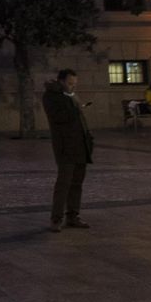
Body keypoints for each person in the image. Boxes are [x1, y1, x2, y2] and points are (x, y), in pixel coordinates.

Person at [41, 68, 93, 232]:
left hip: (80, 145)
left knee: (77, 183)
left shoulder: (71, 96)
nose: (73, 87)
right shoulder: (51, 96)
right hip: (65, 146)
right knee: (64, 183)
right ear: (61, 81)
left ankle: (73, 216)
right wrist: (76, 106)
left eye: (75, 84)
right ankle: (56, 218)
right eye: (70, 83)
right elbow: (58, 117)